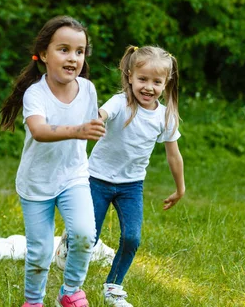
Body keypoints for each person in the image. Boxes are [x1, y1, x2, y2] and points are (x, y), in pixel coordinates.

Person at [56, 45, 185, 307]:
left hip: (131, 186)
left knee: (131, 238)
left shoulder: (165, 117)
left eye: (156, 82)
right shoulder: (120, 103)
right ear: (129, 76)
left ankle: (113, 287)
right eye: (143, 79)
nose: (148, 87)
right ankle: (71, 268)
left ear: (166, 83)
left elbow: (174, 155)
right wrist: (93, 121)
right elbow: (101, 115)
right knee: (88, 238)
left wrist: (180, 188)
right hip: (97, 180)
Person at [0, 16, 106, 307]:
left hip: (74, 177)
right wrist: (79, 131)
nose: (73, 58)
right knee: (40, 252)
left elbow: (95, 127)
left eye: (80, 51)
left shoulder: (89, 90)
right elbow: (39, 130)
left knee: (84, 235)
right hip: (37, 182)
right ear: (44, 54)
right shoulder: (36, 93)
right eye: (64, 49)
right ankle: (33, 301)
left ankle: (70, 292)